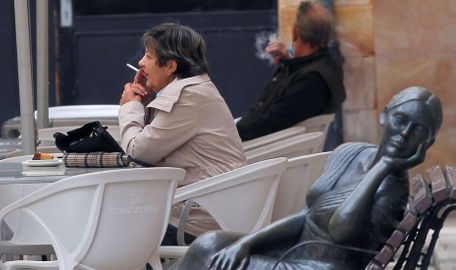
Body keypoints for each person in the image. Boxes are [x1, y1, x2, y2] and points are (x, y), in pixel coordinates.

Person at [171, 86, 443, 270]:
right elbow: (306, 215)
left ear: (427, 142)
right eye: (400, 119)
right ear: (385, 115)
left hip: (319, 267)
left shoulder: (392, 189)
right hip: (296, 251)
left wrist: (383, 167)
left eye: (418, 129)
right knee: (212, 243)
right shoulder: (350, 152)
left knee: (208, 256)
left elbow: (340, 231)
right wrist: (246, 242)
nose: (405, 133)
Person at [119, 23, 246, 245]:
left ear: (169, 65)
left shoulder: (187, 96)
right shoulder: (195, 89)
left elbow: (138, 151)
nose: (140, 63)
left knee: (113, 235)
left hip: (199, 221)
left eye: (148, 56)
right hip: (213, 210)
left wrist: (131, 106)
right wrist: (148, 102)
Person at [236, 0, 346, 143]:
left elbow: (269, 121)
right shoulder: (327, 68)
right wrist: (289, 63)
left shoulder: (312, 81)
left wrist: (229, 136)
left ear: (295, 31)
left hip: (256, 150)